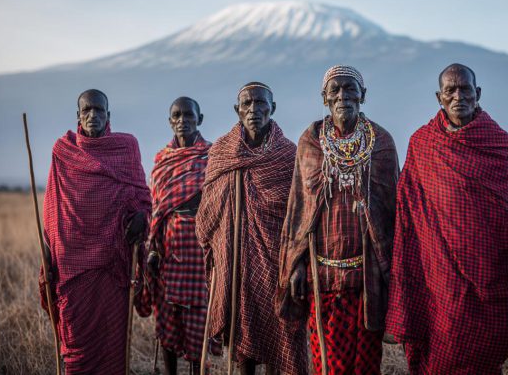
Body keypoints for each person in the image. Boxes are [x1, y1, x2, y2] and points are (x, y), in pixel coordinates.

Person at [386, 64, 508, 374]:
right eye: (450, 90)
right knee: (441, 348)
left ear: (478, 93)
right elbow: (409, 210)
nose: (458, 96)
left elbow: (500, 217)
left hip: (484, 269)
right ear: (439, 97)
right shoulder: (422, 143)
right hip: (436, 271)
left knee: (483, 346)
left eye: (465, 89)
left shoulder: (498, 143)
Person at [278, 65, 398, 375]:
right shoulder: (311, 141)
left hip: (368, 276)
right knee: (329, 365)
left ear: (363, 95)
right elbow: (299, 211)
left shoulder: (381, 143)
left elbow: (390, 215)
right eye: (335, 89)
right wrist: (297, 264)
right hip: (323, 276)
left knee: (366, 365)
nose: (343, 95)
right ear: (325, 98)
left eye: (350, 88)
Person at [195, 82, 308, 375]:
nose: (253, 110)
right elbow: (208, 208)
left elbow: (298, 210)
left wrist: (298, 260)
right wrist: (217, 241)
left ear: (272, 108)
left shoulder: (287, 154)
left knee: (278, 330)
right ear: (237, 110)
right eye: (247, 104)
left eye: (260, 103)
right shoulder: (223, 152)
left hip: (276, 257)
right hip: (235, 257)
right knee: (242, 329)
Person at [40, 89, 150, 374]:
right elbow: (52, 207)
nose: (93, 115)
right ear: (78, 116)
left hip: (112, 263)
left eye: (99, 110)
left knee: (113, 342)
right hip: (72, 265)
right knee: (76, 343)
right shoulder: (63, 151)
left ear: (108, 115)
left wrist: (141, 217)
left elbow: (141, 195)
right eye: (86, 110)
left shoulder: (126, 147)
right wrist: (49, 253)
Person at [143, 97, 220, 375]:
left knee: (198, 317)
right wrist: (153, 249)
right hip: (168, 247)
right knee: (167, 316)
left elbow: (218, 203)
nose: (182, 120)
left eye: (189, 115)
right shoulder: (162, 160)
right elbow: (156, 210)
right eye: (176, 115)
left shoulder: (212, 156)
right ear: (169, 121)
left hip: (201, 249)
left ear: (200, 119)